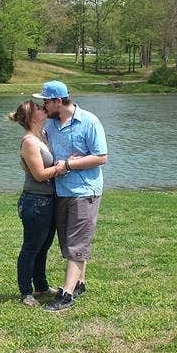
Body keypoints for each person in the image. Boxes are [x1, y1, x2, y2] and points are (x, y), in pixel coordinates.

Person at [33, 81, 108, 312]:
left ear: (58, 101)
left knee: (76, 243)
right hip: (61, 192)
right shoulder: (51, 127)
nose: (43, 105)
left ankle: (66, 295)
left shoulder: (89, 121)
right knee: (68, 241)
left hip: (85, 192)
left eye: (46, 101)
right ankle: (79, 283)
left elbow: (101, 157)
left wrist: (69, 164)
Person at [7, 100, 69, 306]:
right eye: (39, 108)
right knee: (31, 247)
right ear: (32, 117)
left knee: (44, 246)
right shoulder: (29, 142)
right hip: (35, 202)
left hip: (48, 201)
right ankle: (26, 292)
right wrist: (63, 167)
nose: (44, 108)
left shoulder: (42, 136)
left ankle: (41, 286)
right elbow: (40, 174)